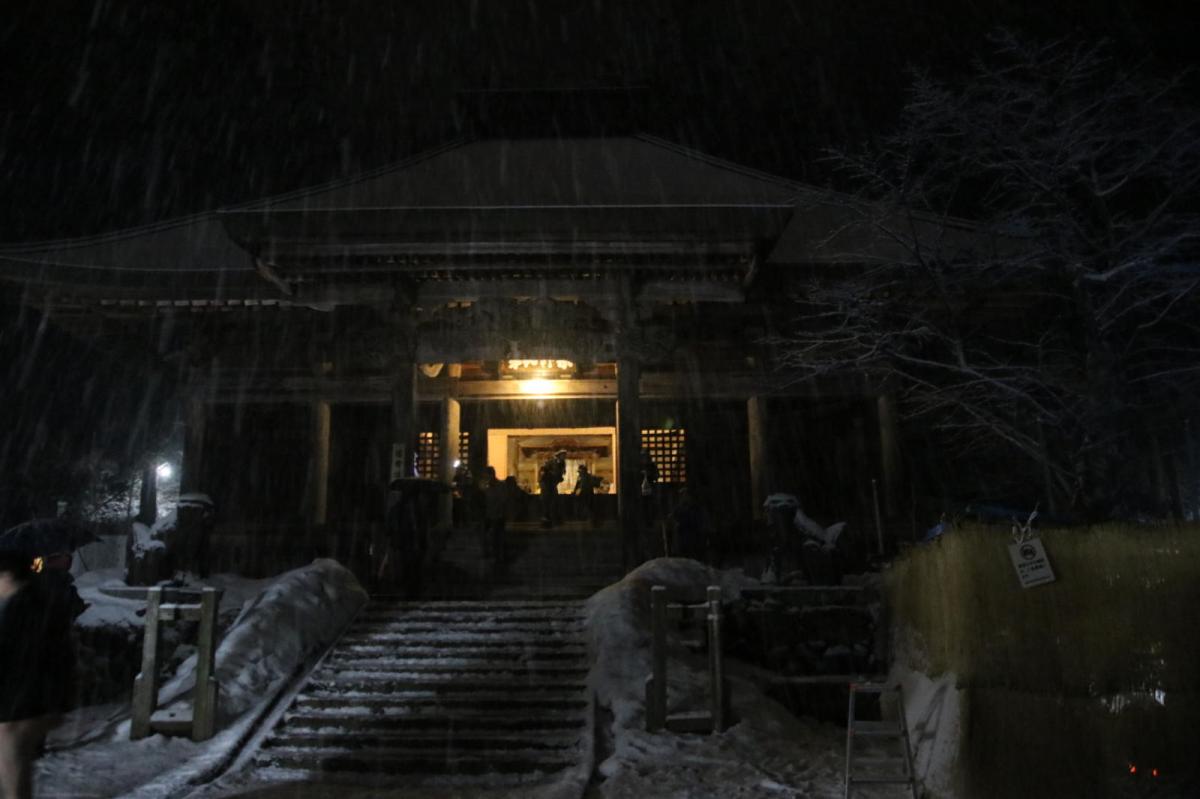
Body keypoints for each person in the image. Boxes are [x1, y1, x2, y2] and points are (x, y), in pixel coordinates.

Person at [0, 549, 76, 799]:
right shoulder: (30, 604)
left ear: (8, 576)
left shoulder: (22, 609)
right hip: (31, 702)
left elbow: (17, 656)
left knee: (12, 764)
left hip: (23, 703)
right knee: (15, 765)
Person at [482, 467, 509, 571]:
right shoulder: (487, 487)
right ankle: (493, 556)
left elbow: (502, 501)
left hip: (498, 516)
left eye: (487, 476)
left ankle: (499, 558)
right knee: (491, 537)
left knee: (497, 538)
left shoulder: (500, 486)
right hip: (490, 515)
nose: (486, 478)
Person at [538, 451, 567, 528]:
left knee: (554, 502)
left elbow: (560, 474)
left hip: (552, 485)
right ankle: (546, 520)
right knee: (547, 503)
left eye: (565, 456)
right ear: (558, 455)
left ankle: (553, 520)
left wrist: (559, 478)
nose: (564, 457)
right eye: (563, 455)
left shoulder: (562, 463)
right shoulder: (550, 463)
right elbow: (542, 474)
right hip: (547, 486)